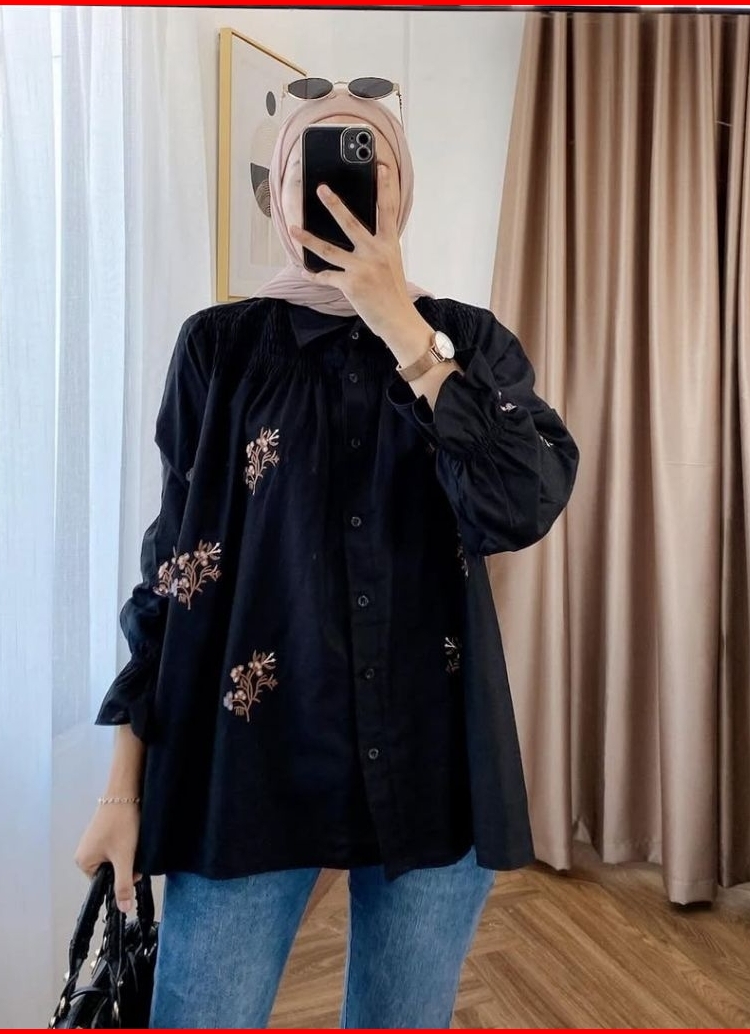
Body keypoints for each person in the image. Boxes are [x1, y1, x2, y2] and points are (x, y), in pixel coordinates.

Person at [74, 88, 578, 1029]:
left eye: (365, 163)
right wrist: (121, 785)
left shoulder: (466, 343)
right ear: (280, 195)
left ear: (402, 191)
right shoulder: (220, 347)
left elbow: (525, 501)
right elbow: (173, 571)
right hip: (245, 769)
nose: (338, 189)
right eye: (313, 169)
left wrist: (408, 336)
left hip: (431, 759)